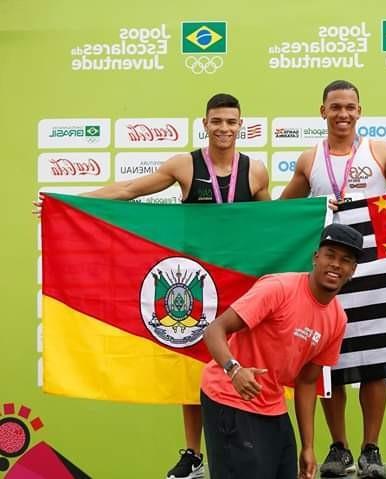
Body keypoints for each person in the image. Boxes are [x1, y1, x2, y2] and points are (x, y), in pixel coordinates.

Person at [35, 93, 270, 479]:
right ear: (205, 124)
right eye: (217, 121)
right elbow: (129, 190)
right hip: (195, 279)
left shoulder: (256, 171)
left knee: (242, 361)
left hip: (238, 279)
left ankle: (241, 448)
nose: (224, 128)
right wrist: (67, 201)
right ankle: (194, 454)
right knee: (191, 364)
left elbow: (272, 222)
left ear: (240, 125)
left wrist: (317, 213)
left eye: (231, 121)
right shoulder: (185, 164)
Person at [281, 80, 386, 479]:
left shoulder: (378, 151)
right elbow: (282, 210)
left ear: (360, 111)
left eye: (350, 107)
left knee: (374, 363)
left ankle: (370, 449)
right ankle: (338, 447)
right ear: (321, 111)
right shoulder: (309, 159)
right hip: (328, 279)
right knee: (330, 365)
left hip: (374, 271)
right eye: (335, 107)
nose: (343, 113)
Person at [200, 223, 363, 479]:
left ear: (352, 270)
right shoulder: (278, 288)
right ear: (315, 257)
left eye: (345, 260)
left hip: (272, 405)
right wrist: (235, 370)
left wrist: (308, 446)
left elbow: (308, 381)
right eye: (330, 255)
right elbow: (214, 330)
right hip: (229, 396)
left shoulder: (337, 319)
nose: (335, 264)